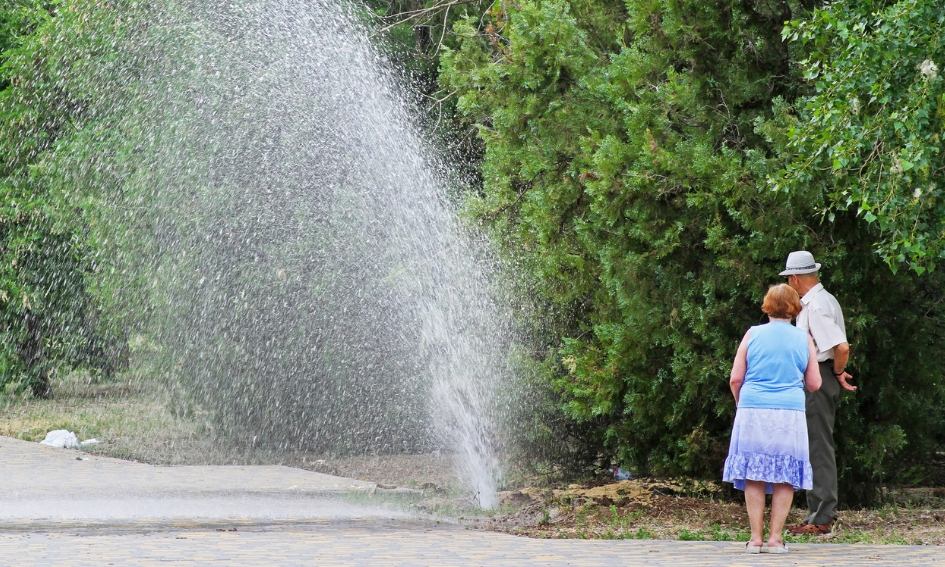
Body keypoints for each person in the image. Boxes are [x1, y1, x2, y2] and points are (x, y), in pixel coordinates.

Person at [724, 284, 822, 554]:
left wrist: (742, 403)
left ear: (767, 305)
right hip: (789, 412)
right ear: (794, 308)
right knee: (785, 475)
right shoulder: (803, 338)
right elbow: (814, 383)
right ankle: (775, 540)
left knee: (754, 473)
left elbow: (735, 378)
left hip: (753, 409)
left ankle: (755, 539)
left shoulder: (753, 334)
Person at [780, 251, 856, 535]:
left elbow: (841, 346)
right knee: (813, 444)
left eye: (789, 279)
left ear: (795, 278)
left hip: (818, 378)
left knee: (818, 445)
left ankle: (823, 516)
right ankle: (815, 513)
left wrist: (836, 371)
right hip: (820, 375)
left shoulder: (816, 306)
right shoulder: (823, 300)